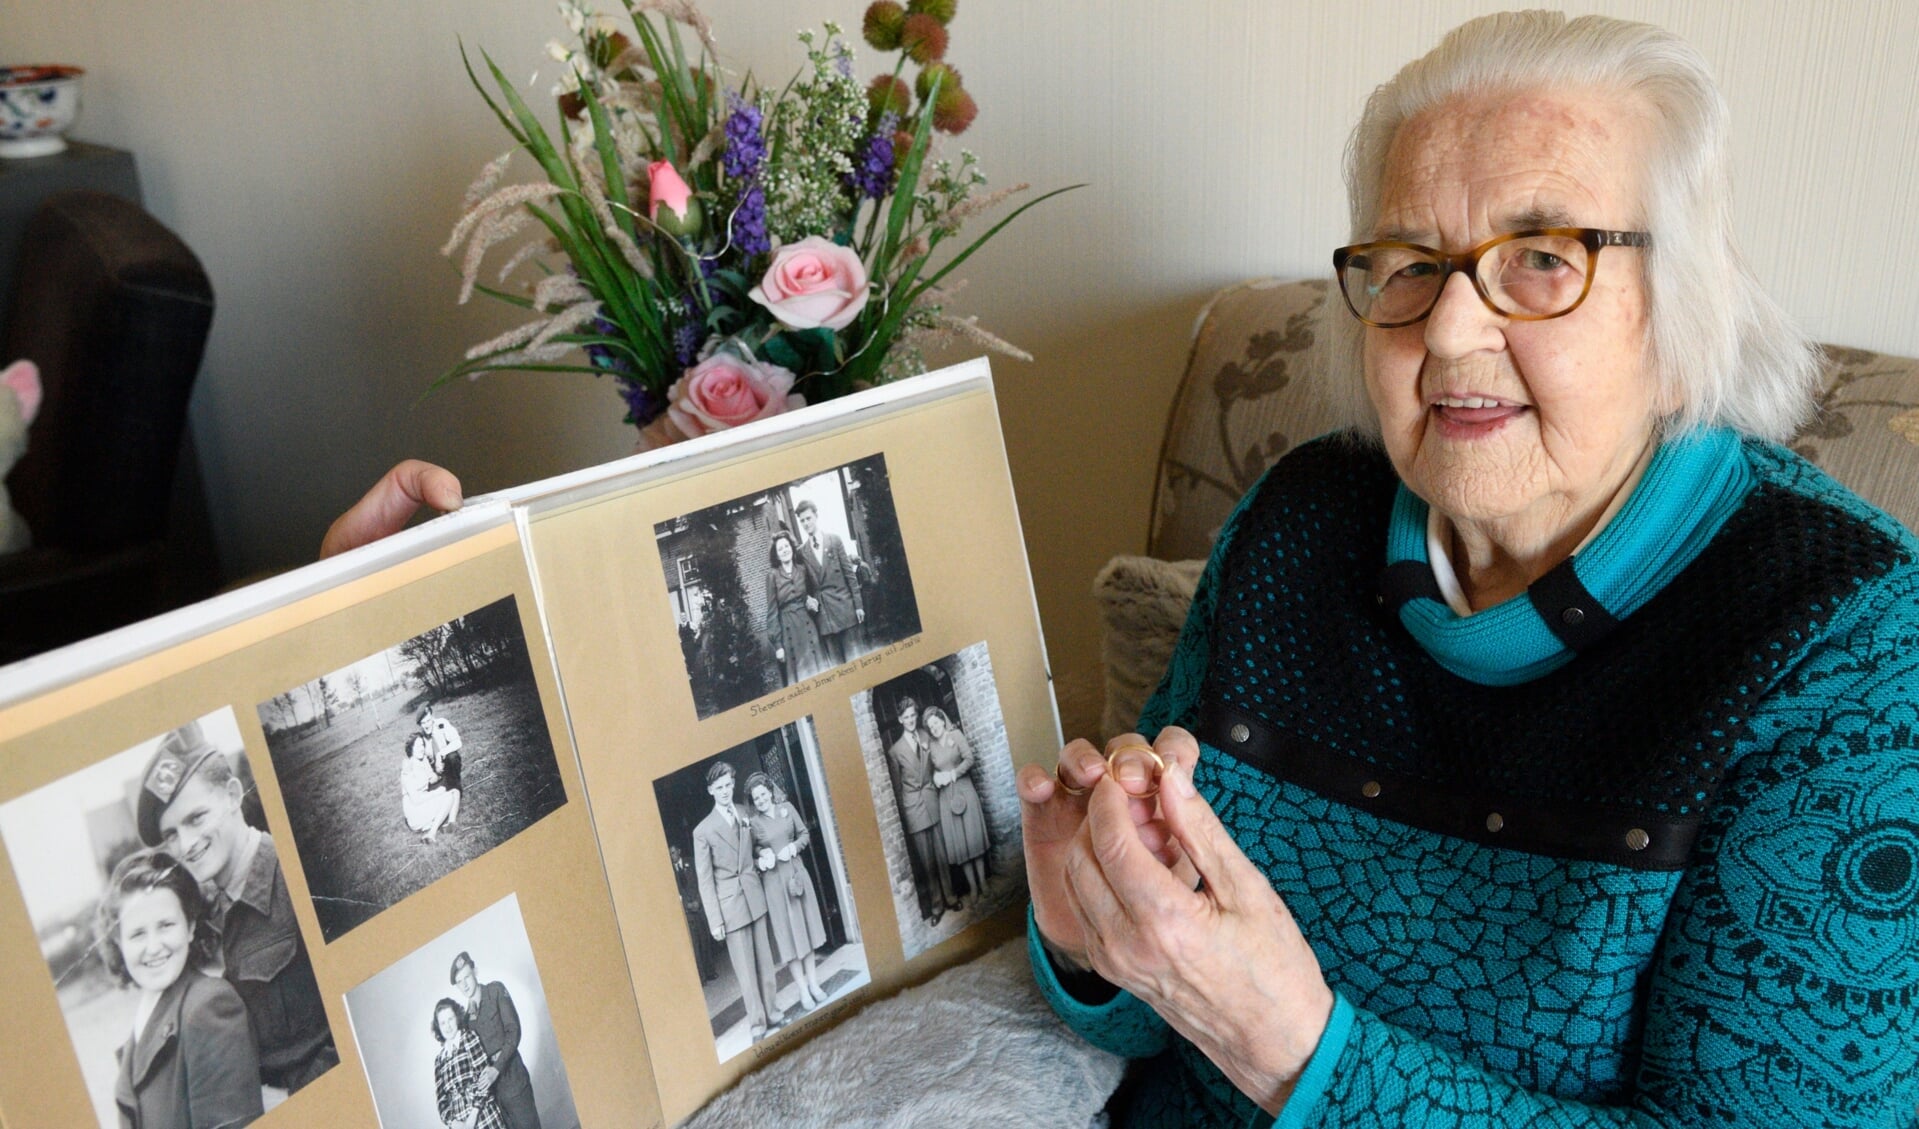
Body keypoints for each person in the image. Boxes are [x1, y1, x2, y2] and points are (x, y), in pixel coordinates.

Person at [1021, 12, 1919, 1128]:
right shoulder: (1295, 521)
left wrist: (1296, 1055)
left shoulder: (1849, 638)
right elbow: (1154, 1011)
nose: (1446, 330)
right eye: (1406, 265)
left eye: (1541, 258)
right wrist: (1092, 935)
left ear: (1681, 307)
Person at [138, 721, 338, 1099]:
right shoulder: (204, 915)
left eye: (195, 818)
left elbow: (354, 1021)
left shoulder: (295, 877)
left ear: (232, 795)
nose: (186, 844)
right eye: (171, 835)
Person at [98, 849, 264, 1129]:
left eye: (166, 925)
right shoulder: (148, 1012)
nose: (153, 947)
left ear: (190, 927)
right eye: (137, 933)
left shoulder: (209, 1006)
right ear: (118, 942)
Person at [691, 761, 787, 1040]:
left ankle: (774, 1012)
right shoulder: (703, 831)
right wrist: (715, 920)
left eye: (728, 785)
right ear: (710, 790)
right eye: (719, 787)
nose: (724, 791)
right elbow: (705, 880)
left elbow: (757, 846)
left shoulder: (746, 813)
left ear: (733, 784)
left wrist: (763, 855)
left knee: (765, 963)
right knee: (745, 971)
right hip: (730, 907)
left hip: (754, 897)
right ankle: (757, 1024)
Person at [744, 772, 830, 1013]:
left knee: (806, 929)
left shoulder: (787, 808)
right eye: (755, 798)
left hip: (796, 876)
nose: (760, 800)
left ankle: (814, 984)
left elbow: (805, 834)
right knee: (788, 938)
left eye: (762, 794)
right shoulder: (754, 824)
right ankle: (802, 989)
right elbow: (751, 853)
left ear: (770, 792)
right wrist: (763, 855)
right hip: (774, 885)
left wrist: (792, 847)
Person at [451, 952, 540, 1129]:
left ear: (475, 971)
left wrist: (496, 1069)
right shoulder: (466, 1020)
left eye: (467, 977)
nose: (465, 985)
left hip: (514, 1083)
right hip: (494, 1098)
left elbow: (514, 1031)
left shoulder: (495, 990)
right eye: (460, 982)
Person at [885, 696, 955, 924]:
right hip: (913, 808)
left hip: (932, 799)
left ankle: (951, 897)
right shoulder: (895, 751)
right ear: (899, 720)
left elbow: (939, 759)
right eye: (906, 717)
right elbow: (897, 788)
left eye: (913, 715)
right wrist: (905, 816)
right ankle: (936, 906)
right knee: (927, 861)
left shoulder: (926, 736)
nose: (910, 720)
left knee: (942, 854)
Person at [922, 706, 990, 910]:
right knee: (960, 844)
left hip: (964, 789)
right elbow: (930, 772)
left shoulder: (956, 735)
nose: (934, 728)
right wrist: (936, 777)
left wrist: (954, 774)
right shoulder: (931, 747)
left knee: (973, 837)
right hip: (946, 798)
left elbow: (970, 758)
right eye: (930, 726)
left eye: (935, 723)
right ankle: (973, 888)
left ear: (942, 720)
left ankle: (983, 883)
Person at [794, 500, 865, 665]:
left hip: (845, 611)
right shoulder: (801, 552)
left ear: (816, 516)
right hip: (825, 619)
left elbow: (850, 576)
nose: (806, 523)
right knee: (838, 669)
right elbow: (804, 587)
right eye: (802, 520)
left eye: (808, 518)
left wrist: (859, 606)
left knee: (857, 662)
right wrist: (807, 599)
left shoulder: (834, 540)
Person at [762, 529, 828, 685]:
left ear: (791, 547)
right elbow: (772, 612)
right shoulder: (772, 576)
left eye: (786, 546)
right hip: (788, 630)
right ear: (776, 555)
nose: (784, 550)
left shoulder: (802, 570)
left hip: (808, 626)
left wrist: (811, 600)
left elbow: (811, 593)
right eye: (780, 549)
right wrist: (778, 645)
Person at [431, 997, 507, 1129]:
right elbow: (441, 1101)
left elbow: (484, 1080)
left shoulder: (468, 1038)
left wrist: (471, 1119)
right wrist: (454, 1123)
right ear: (438, 1026)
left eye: (450, 1019)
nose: (447, 1026)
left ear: (457, 1017)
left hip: (483, 1117)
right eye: (443, 1023)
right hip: (460, 1124)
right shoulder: (439, 1060)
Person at [402, 733, 462, 842]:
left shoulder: (422, 760)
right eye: (417, 746)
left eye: (422, 745)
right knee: (448, 797)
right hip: (415, 810)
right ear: (411, 749)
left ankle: (451, 824)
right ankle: (431, 834)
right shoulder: (407, 769)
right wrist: (437, 792)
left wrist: (440, 771)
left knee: (455, 791)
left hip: (424, 802)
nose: (421, 749)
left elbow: (432, 779)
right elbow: (416, 800)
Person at [420, 705, 464, 793]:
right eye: (423, 723)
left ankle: (456, 788)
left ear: (432, 717)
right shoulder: (420, 738)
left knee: (453, 757)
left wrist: (440, 754)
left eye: (428, 721)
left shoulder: (441, 724)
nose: (427, 725)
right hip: (434, 770)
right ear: (420, 724)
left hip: (447, 762)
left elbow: (457, 742)